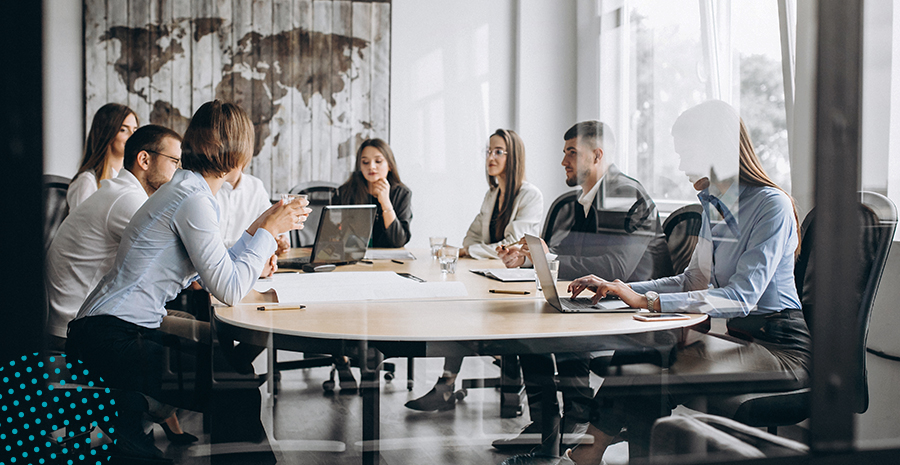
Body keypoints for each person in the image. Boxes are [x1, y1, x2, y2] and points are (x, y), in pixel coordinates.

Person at [557, 100, 809, 464]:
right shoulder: (716, 205)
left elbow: (741, 298)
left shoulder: (772, 206)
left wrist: (649, 302)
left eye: (686, 152)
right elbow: (693, 279)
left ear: (713, 149)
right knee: (638, 355)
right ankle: (591, 452)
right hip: (743, 340)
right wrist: (620, 287)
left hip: (782, 349)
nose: (680, 165)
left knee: (646, 371)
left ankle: (588, 452)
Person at [66, 100, 310, 461]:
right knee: (236, 385)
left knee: (233, 372)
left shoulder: (187, 191)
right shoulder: (193, 199)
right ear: (233, 154)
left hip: (107, 329)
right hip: (111, 338)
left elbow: (217, 266)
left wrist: (263, 227)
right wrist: (267, 231)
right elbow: (226, 289)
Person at [493, 121, 669, 451]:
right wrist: (529, 257)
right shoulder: (579, 201)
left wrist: (549, 256)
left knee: (540, 323)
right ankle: (548, 422)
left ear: (597, 155)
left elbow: (616, 269)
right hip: (599, 300)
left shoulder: (622, 194)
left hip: (636, 305)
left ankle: (572, 416)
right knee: (525, 322)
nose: (564, 161)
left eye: (572, 153)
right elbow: (566, 257)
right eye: (564, 153)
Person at [46, 124, 198, 444]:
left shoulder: (118, 191)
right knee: (186, 333)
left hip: (83, 312)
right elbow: (176, 255)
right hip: (82, 321)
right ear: (144, 159)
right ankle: (143, 414)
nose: (180, 171)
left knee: (179, 326)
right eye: (175, 161)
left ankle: (138, 422)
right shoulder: (128, 200)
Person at [405, 128, 543, 412]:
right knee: (458, 308)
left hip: (516, 282)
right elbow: (470, 239)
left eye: (498, 152)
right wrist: (476, 249)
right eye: (488, 151)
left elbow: (511, 246)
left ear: (514, 156)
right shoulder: (492, 195)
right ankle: (448, 386)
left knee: (468, 316)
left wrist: (474, 250)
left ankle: (500, 381)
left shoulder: (530, 195)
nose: (490, 157)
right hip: (489, 275)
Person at [336, 138, 412, 248]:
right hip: (353, 258)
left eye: (378, 161)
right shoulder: (346, 191)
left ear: (389, 165)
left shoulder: (402, 193)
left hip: (390, 260)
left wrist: (385, 202)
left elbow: (398, 240)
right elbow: (336, 236)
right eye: (365, 162)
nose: (371, 167)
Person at [68, 103, 139, 210]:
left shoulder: (131, 179)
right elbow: (81, 226)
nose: (133, 137)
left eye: (135, 130)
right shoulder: (87, 182)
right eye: (123, 130)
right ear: (107, 133)